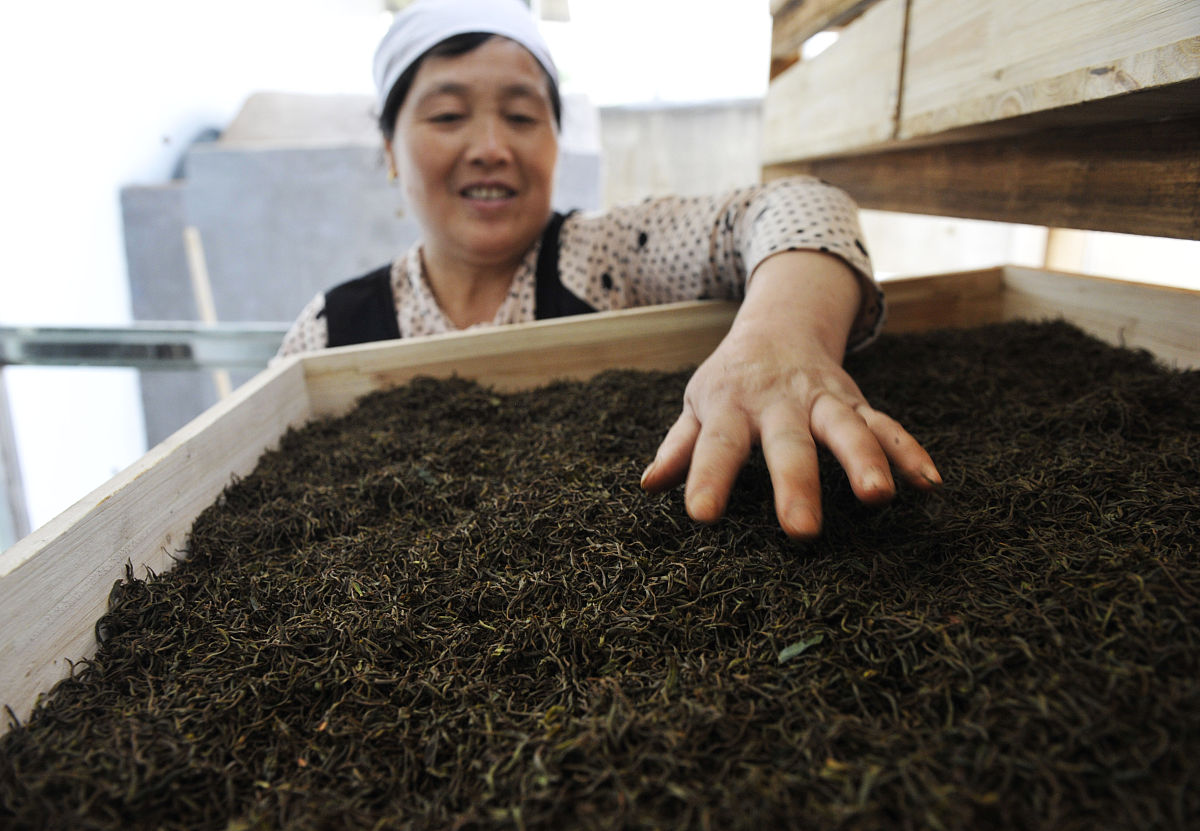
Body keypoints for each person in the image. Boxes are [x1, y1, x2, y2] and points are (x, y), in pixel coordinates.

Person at [278, 0, 941, 540]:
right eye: (448, 115)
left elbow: (804, 204)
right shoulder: (333, 330)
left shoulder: (607, 258)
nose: (490, 147)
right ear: (390, 147)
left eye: (522, 116)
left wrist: (781, 339)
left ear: (556, 143)